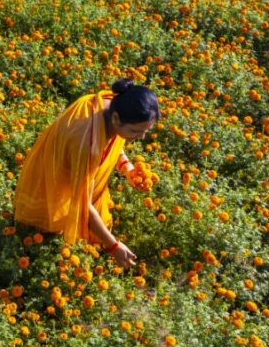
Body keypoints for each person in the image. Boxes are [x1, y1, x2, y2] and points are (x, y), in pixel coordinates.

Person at [13, 78, 160, 268]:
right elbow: (83, 203)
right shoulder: (87, 143)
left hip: (75, 161)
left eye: (146, 131)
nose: (141, 137)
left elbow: (113, 139)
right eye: (136, 131)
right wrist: (114, 246)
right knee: (50, 224)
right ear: (116, 118)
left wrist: (127, 168)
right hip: (57, 171)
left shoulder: (111, 103)